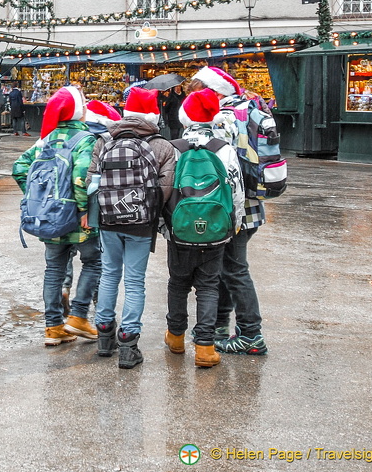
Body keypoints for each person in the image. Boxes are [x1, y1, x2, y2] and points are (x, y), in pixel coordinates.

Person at [89, 88, 176, 369]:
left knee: (109, 274)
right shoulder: (162, 145)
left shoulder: (105, 140)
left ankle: (104, 335)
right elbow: (166, 187)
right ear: (153, 115)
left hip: (108, 220)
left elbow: (92, 181)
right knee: (135, 282)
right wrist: (148, 212)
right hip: (141, 223)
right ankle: (128, 343)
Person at [12, 86, 101, 347]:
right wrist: (85, 210)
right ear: (76, 110)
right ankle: (79, 316)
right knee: (94, 262)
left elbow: (19, 167)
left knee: (54, 269)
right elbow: (82, 178)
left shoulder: (46, 139)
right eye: (82, 103)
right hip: (77, 218)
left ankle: (53, 327)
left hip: (50, 218)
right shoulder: (86, 139)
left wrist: (37, 198)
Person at [191, 65, 269, 355]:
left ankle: (251, 334)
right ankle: (219, 326)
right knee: (226, 266)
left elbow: (222, 164)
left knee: (234, 269)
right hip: (251, 202)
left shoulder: (223, 117)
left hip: (234, 205)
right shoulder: (249, 109)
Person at [163, 88, 244, 368]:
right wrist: (233, 225)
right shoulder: (224, 149)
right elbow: (236, 192)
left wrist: (165, 227)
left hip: (180, 230)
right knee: (209, 286)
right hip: (215, 231)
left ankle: (175, 337)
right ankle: (205, 347)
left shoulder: (173, 148)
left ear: (183, 117)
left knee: (178, 283)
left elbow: (162, 190)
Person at [60, 99, 122, 316]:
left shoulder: (74, 137)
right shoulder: (106, 140)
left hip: (63, 205)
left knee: (65, 252)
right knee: (95, 259)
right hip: (92, 207)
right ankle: (94, 300)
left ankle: (64, 286)